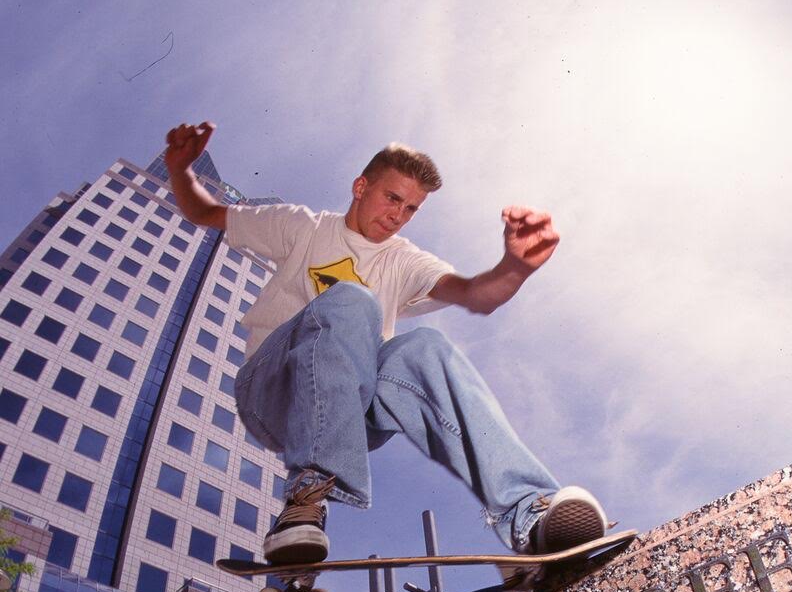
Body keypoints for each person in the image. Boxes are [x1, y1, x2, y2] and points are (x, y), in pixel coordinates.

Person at [163, 121, 609, 565]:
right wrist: (181, 171)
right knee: (352, 300)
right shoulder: (302, 227)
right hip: (272, 390)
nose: (398, 215)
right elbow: (206, 213)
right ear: (361, 187)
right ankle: (306, 497)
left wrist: (515, 267)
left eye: (412, 208)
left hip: (351, 413)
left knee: (425, 349)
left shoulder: (404, 259)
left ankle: (529, 514)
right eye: (392, 198)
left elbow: (474, 294)